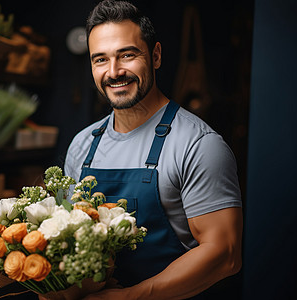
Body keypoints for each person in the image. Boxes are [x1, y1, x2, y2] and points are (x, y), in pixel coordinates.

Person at [63, 0, 243, 299]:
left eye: (127, 55)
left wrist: (130, 297)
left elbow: (224, 254)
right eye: (100, 60)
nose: (114, 72)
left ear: (155, 56)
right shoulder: (82, 144)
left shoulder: (198, 144)